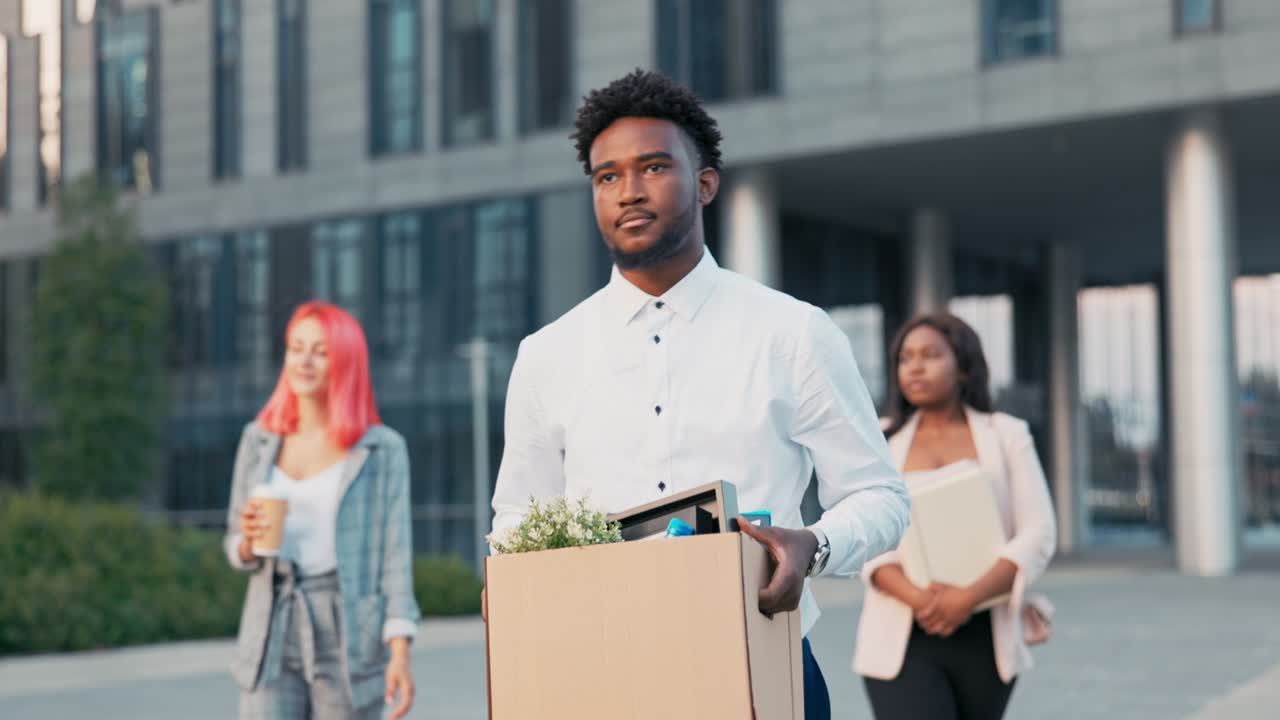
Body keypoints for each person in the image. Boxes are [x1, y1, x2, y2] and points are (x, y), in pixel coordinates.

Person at [489, 69, 910, 720]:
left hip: (761, 661)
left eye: (654, 167)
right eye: (607, 176)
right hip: (600, 671)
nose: (629, 191)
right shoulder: (546, 355)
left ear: (706, 182)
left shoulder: (793, 333)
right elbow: (517, 519)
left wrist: (813, 545)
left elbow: (880, 496)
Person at [853, 312, 1057, 719]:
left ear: (963, 367)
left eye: (930, 355)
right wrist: (924, 601)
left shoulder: (1006, 434)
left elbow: (1038, 532)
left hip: (985, 634)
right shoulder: (879, 437)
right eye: (906, 358)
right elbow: (866, 533)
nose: (915, 366)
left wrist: (965, 599)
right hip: (901, 634)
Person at [224, 301, 420, 720]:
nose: (304, 361)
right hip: (272, 623)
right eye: (296, 348)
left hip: (347, 629)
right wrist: (247, 544)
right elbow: (235, 543)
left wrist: (400, 654)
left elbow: (395, 559)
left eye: (320, 351)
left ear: (346, 362)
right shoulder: (258, 440)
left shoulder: (382, 450)